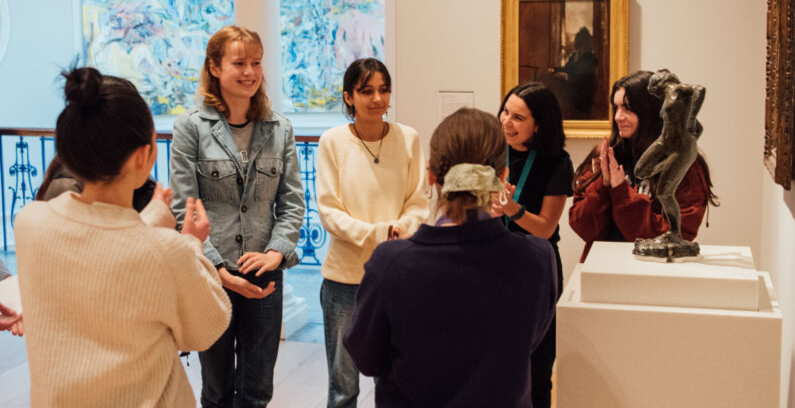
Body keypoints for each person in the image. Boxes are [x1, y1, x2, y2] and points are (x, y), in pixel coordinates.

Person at [13, 67, 231, 407]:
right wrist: (191, 245)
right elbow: (206, 327)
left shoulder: (29, 223)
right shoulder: (167, 251)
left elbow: (101, 243)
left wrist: (157, 218)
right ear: (144, 155)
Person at [343, 108, 558, 407]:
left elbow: (366, 358)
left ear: (430, 175)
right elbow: (529, 342)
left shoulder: (391, 264)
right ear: (503, 175)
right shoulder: (538, 258)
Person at [169, 25, 305, 408]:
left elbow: (293, 202)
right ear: (214, 66)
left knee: (258, 389)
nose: (249, 72)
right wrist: (218, 268)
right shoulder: (190, 127)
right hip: (212, 274)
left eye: (256, 63)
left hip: (265, 272)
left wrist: (276, 253)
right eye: (239, 62)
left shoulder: (279, 129)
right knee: (216, 389)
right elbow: (184, 205)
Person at [317, 57, 429, 407]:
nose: (377, 99)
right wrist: (379, 232)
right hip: (345, 278)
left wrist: (401, 229)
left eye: (383, 90)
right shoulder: (332, 141)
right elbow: (329, 210)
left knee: (396, 380)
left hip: (398, 273)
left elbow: (419, 201)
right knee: (343, 386)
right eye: (366, 91)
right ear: (349, 97)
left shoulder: (407, 138)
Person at [569, 71, 719, 262]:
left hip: (652, 278)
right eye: (616, 108)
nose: (618, 117)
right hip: (601, 271)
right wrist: (603, 185)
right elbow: (583, 228)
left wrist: (621, 191)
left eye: (628, 108)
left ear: (651, 110)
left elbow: (675, 236)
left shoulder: (687, 166)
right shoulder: (604, 156)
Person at [491, 82, 573, 408]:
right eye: (505, 112)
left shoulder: (557, 162)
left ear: (539, 124)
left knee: (536, 368)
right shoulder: (491, 152)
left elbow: (546, 228)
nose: (506, 122)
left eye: (518, 118)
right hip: (491, 265)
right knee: (494, 364)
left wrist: (513, 209)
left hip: (536, 270)